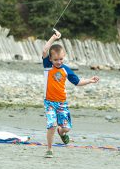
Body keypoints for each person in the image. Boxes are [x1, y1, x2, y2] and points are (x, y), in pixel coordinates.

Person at [41, 29, 99, 158]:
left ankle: (61, 133)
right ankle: (49, 149)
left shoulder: (66, 70)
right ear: (50, 59)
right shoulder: (48, 66)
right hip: (49, 102)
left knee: (66, 128)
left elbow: (77, 82)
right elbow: (45, 50)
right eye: (56, 59)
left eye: (61, 59)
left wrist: (89, 80)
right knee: (51, 125)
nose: (59, 61)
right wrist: (54, 38)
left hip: (62, 103)